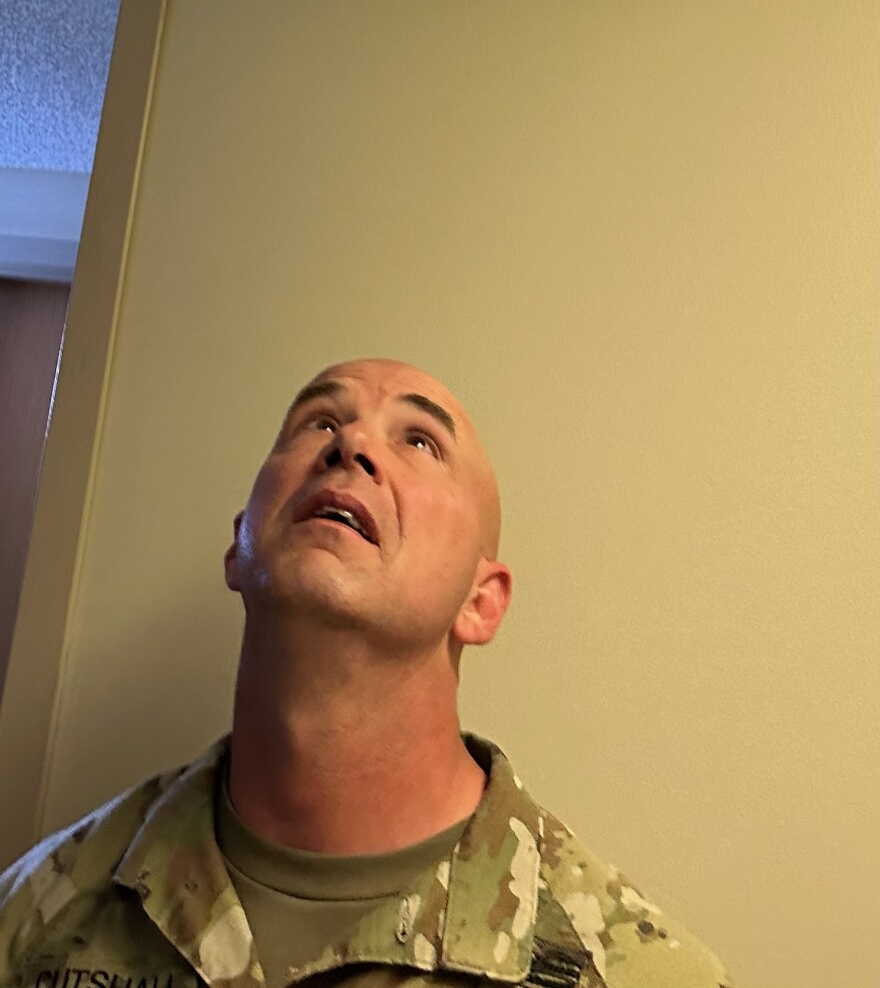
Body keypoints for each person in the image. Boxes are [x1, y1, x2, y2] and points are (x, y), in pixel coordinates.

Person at [0, 357, 734, 988]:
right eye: (318, 422)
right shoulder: (37, 912)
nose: (350, 443)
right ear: (240, 544)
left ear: (482, 600)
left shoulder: (631, 969)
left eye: (420, 439)